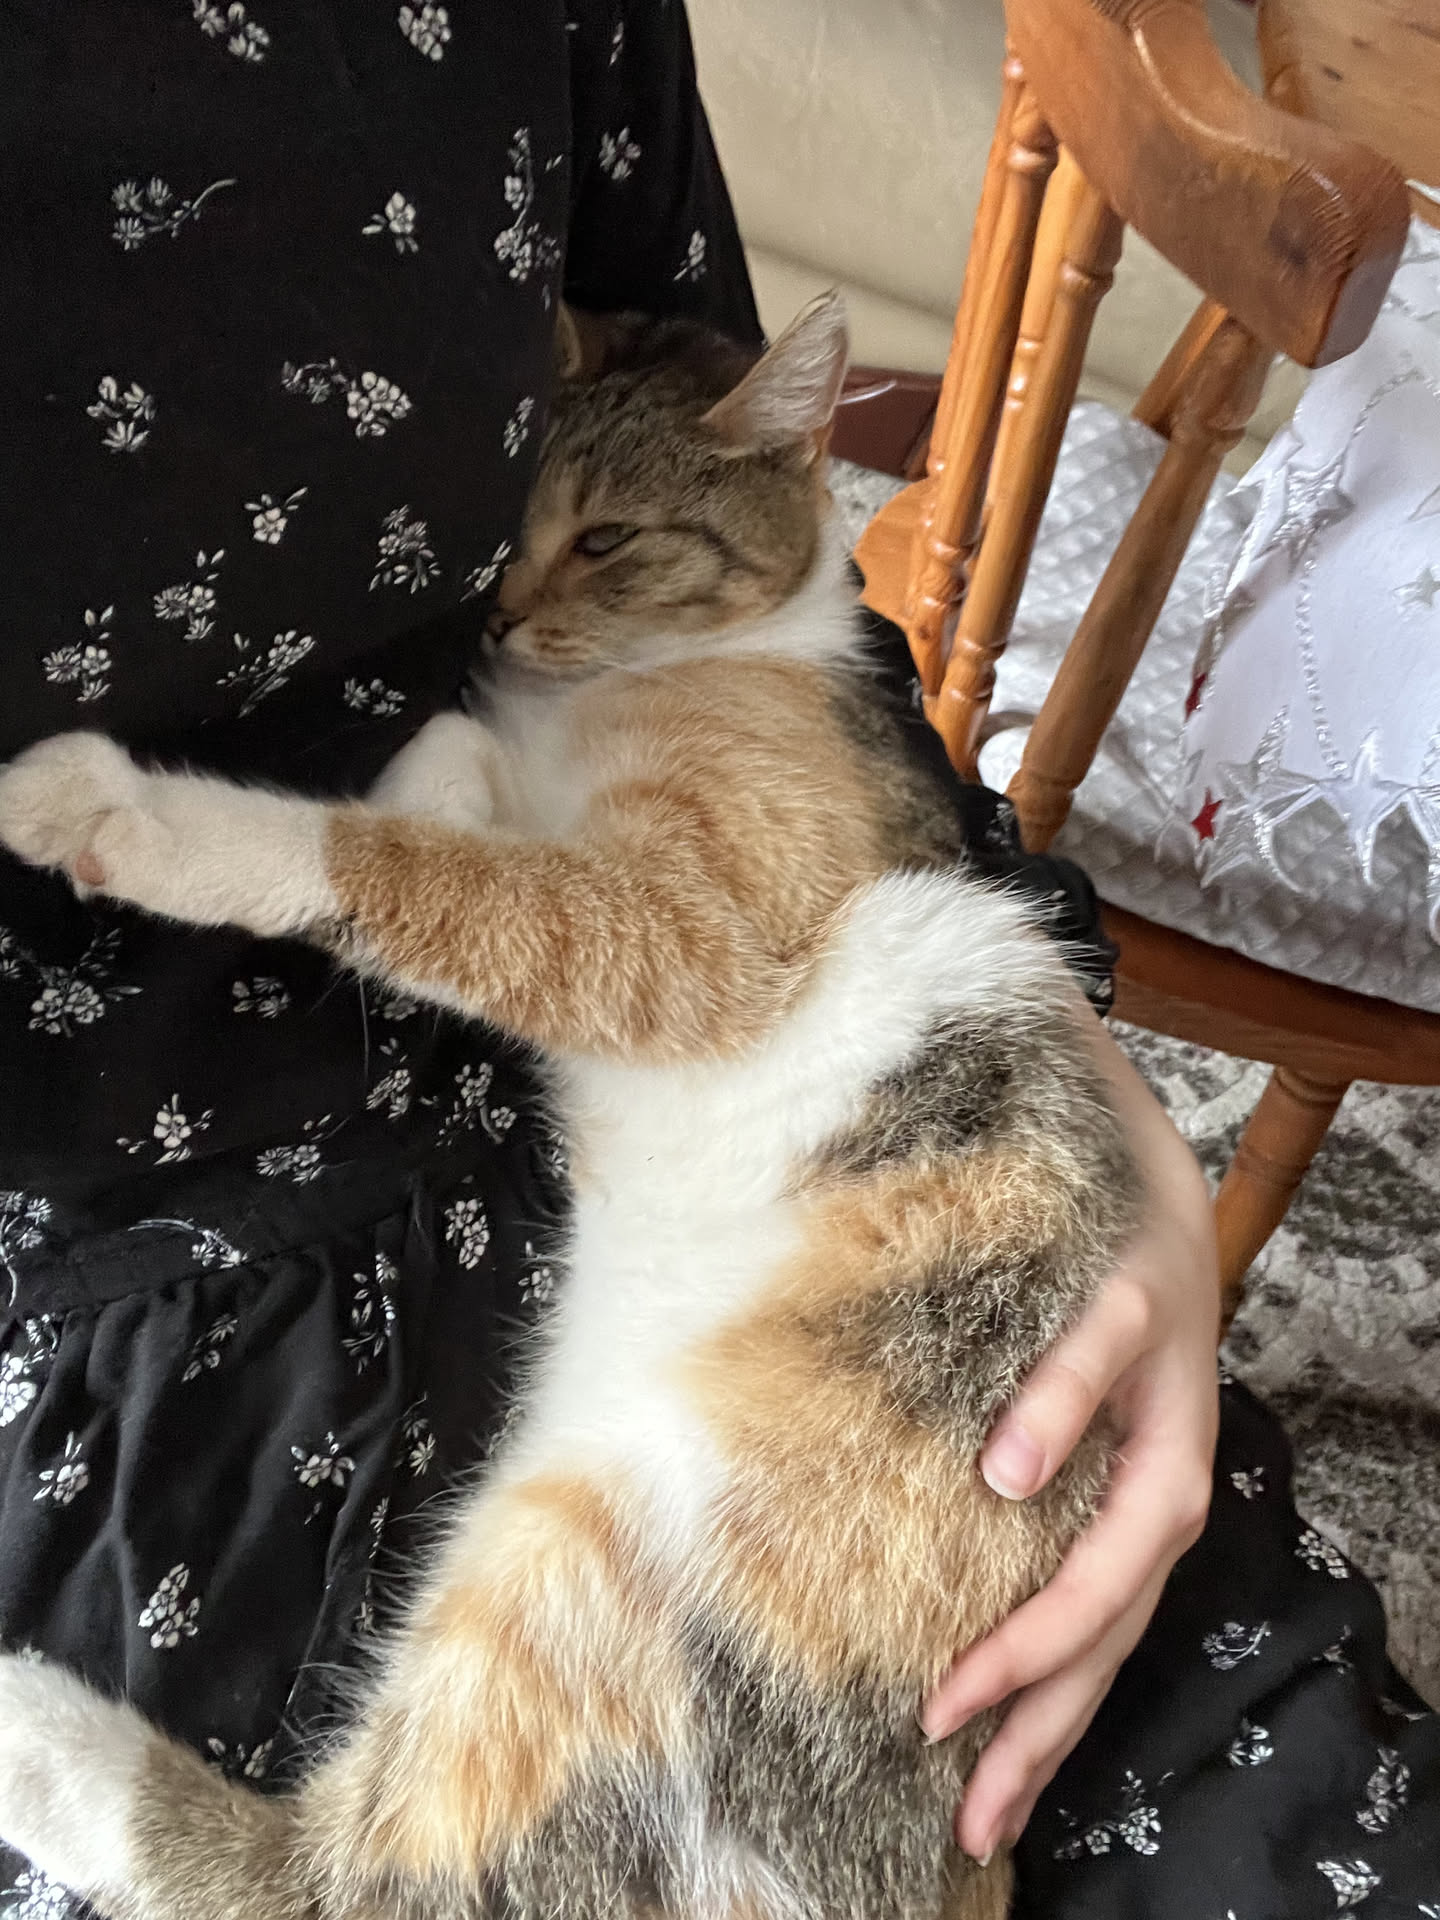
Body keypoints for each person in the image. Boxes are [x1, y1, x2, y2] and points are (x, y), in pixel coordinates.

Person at [0, 7, 1434, 1919]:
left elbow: (755, 621)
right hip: (161, 1250)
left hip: (838, 1214)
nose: (521, 601)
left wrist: (1120, 1145)